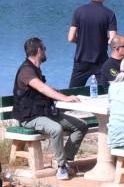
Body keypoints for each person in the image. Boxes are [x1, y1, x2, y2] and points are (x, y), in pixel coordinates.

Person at [13, 37, 90, 179]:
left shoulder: (35, 70)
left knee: (81, 126)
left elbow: (46, 88)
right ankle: (61, 168)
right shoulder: (26, 71)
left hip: (45, 113)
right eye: (44, 49)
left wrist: (64, 95)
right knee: (56, 129)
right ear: (39, 50)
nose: (46, 52)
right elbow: (42, 88)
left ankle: (64, 161)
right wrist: (64, 98)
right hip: (30, 117)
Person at [67, 0, 118, 94]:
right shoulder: (109, 14)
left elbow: (70, 38)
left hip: (81, 60)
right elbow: (113, 40)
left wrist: (81, 42)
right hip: (101, 61)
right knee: (107, 92)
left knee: (72, 93)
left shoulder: (79, 11)